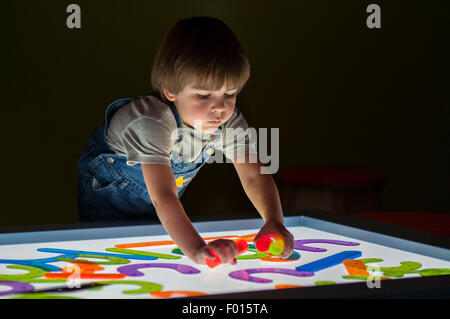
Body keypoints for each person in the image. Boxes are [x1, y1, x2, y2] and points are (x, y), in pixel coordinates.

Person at [77, 16, 294, 266]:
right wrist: (198, 250)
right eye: (204, 95)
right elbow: (164, 196)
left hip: (164, 215)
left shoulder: (228, 121)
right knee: (113, 263)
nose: (220, 107)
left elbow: (254, 176)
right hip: (109, 208)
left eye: (230, 93)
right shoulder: (151, 121)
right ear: (171, 91)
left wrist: (274, 221)